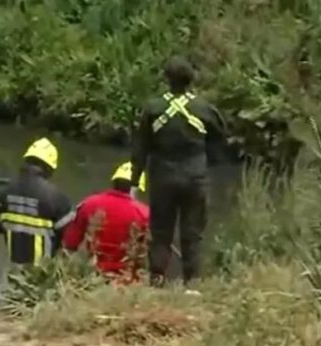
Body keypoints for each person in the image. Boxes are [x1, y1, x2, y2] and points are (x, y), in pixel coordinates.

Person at [130, 56, 228, 285]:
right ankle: (191, 282)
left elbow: (140, 148)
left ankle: (157, 278)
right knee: (192, 232)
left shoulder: (153, 109)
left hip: (163, 177)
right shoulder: (205, 109)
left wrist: (135, 182)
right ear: (191, 80)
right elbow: (221, 139)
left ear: (167, 79)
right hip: (195, 177)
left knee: (161, 231)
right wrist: (209, 161)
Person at [0, 138, 74, 265]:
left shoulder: (3, 193)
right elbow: (69, 237)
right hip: (42, 273)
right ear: (49, 168)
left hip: (14, 268)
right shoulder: (58, 199)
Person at [62, 161, 149, 283]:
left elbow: (70, 244)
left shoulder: (89, 204)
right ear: (135, 188)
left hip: (90, 276)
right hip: (125, 281)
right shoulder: (144, 214)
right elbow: (146, 255)